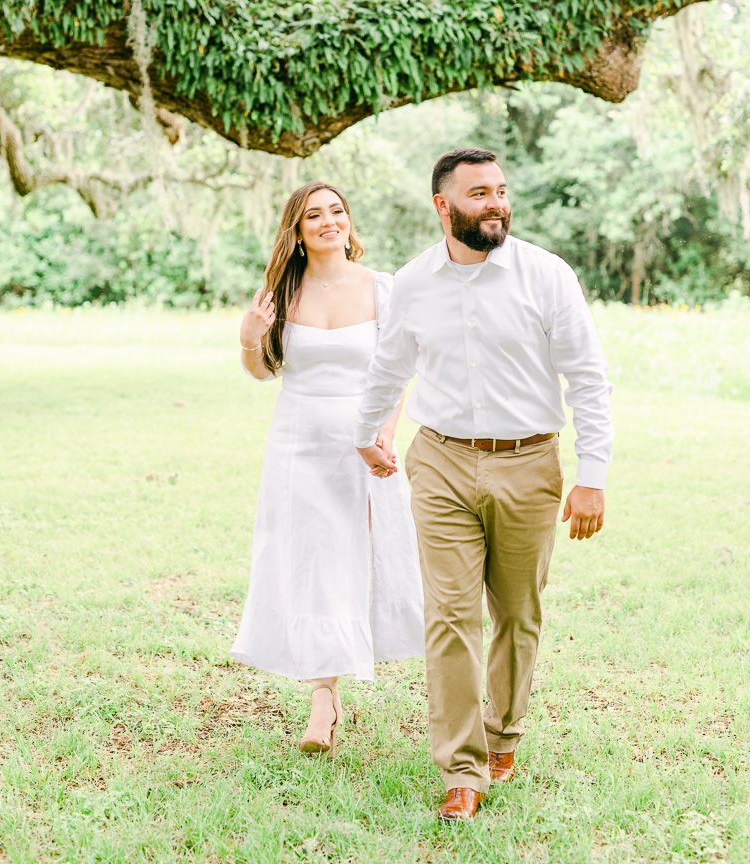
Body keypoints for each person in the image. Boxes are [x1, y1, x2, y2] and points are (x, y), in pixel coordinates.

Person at [355, 147, 613, 820]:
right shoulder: (413, 283)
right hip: (439, 460)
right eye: (478, 193)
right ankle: (462, 770)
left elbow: (587, 377)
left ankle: (504, 733)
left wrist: (593, 477)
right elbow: (389, 367)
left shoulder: (546, 276)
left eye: (500, 189)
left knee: (518, 615)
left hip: (530, 462)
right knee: (449, 617)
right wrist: (365, 430)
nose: (495, 202)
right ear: (444, 206)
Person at [231, 180, 424, 756]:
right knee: (314, 561)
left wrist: (384, 433)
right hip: (299, 445)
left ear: (348, 221)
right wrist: (249, 340)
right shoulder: (281, 292)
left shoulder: (382, 289)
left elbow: (398, 371)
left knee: (358, 557)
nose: (328, 221)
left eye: (337, 211)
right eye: (314, 215)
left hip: (365, 448)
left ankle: (346, 676)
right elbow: (263, 372)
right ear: (298, 230)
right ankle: (323, 697)